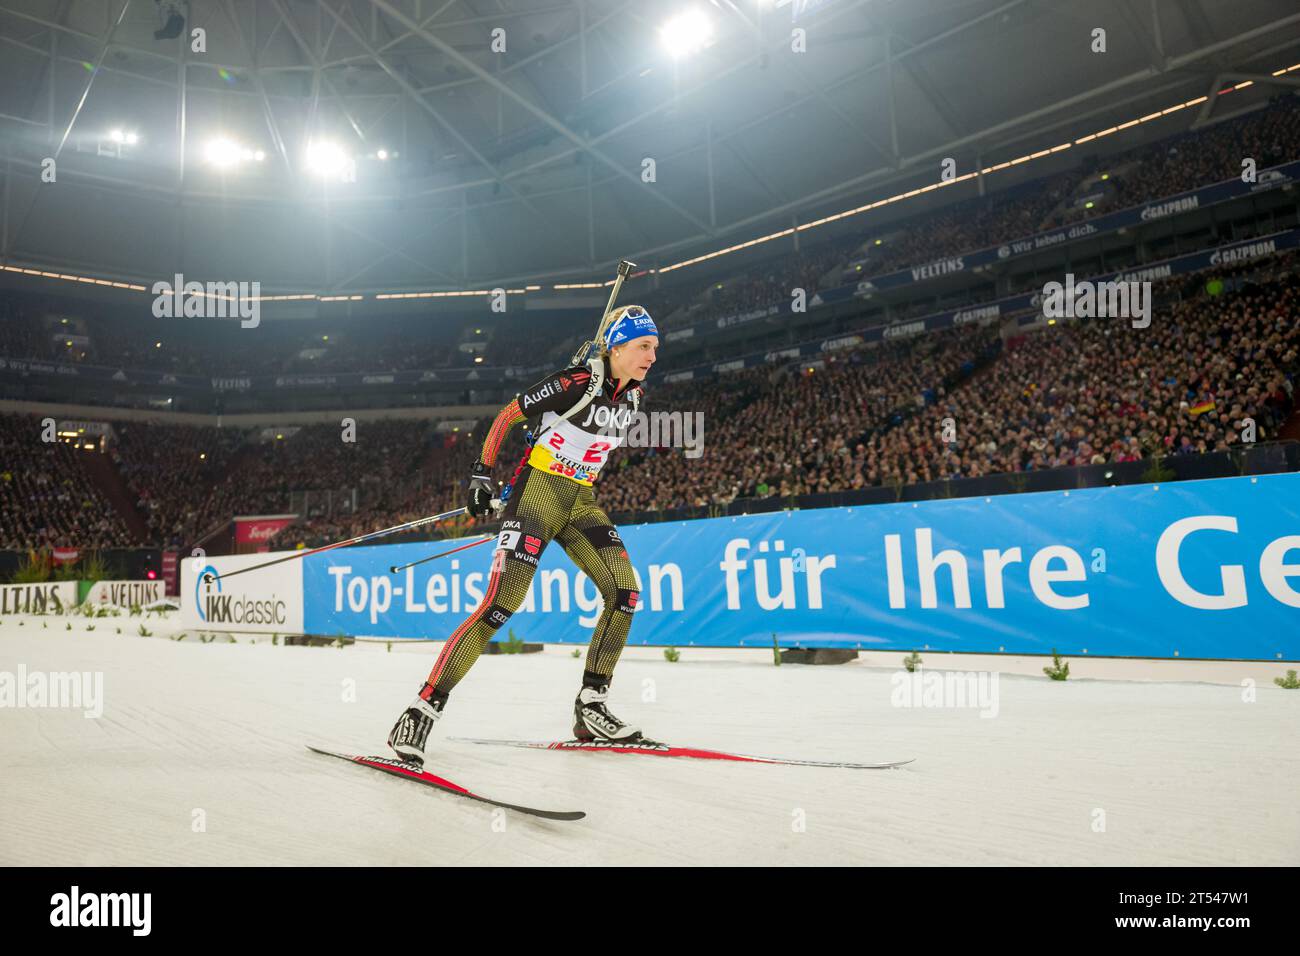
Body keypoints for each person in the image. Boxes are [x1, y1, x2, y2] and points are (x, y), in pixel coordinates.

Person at [387, 305, 660, 766]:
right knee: (500, 607)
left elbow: (587, 445)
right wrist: (481, 476)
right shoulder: (577, 381)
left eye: (655, 347)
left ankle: (591, 706)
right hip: (537, 497)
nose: (652, 356)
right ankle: (420, 711)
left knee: (624, 591)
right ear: (615, 347)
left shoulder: (632, 396)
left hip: (579, 501)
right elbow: (508, 415)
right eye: (643, 346)